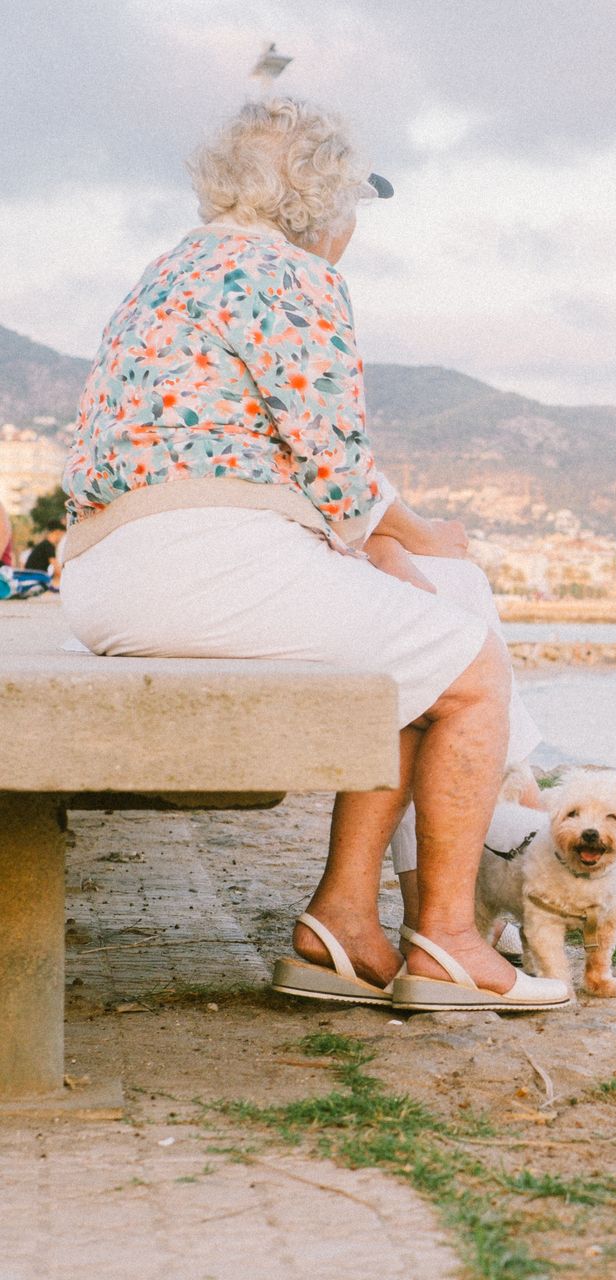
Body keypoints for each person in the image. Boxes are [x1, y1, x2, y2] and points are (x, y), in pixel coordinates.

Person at [60, 97, 568, 1012]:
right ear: (321, 201)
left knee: (424, 632)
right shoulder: (292, 275)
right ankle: (450, 939)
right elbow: (334, 467)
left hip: (105, 578)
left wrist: (404, 549)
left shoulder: (168, 269)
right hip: (204, 568)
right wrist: (407, 547)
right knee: (475, 671)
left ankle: (342, 922)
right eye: (355, 205)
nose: (356, 228)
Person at [22, 520, 64, 585]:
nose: (61, 538)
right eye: (61, 535)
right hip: (36, 576)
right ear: (57, 532)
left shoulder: (44, 544)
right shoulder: (48, 546)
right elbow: (56, 567)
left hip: (32, 575)